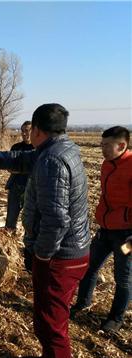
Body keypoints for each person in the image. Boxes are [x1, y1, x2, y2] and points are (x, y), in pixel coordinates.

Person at [0, 103, 90, 358]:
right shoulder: (61, 149)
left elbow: (57, 219)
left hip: (60, 256)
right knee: (47, 319)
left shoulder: (51, 160)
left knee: (52, 324)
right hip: (70, 251)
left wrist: (42, 255)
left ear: (36, 129)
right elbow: (22, 160)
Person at [71, 126, 131, 332]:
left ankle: (116, 318)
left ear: (121, 145)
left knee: (123, 276)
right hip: (106, 231)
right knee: (90, 267)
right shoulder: (107, 164)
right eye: (101, 144)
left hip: (127, 238)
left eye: (107, 145)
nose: (102, 149)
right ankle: (83, 303)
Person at [5, 121, 34, 230]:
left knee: (30, 222)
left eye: (27, 130)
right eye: (22, 131)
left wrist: (19, 168)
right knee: (10, 221)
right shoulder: (16, 147)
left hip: (32, 190)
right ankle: (8, 241)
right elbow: (9, 168)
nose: (24, 134)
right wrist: (27, 169)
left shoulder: (38, 149)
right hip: (15, 187)